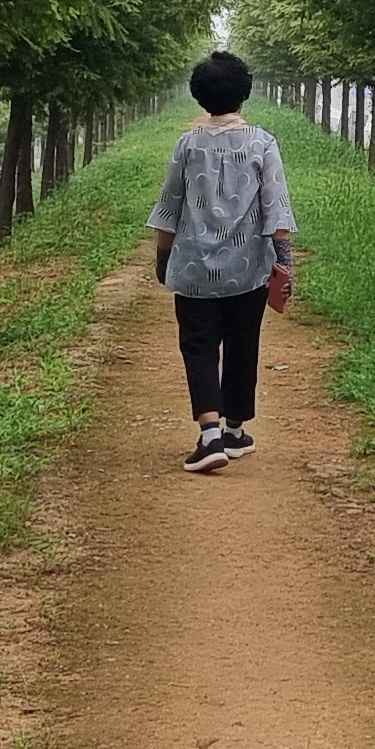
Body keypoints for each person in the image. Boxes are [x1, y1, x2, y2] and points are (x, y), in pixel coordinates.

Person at [148, 49, 293, 473]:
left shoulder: (187, 145)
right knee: (243, 344)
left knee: (198, 345)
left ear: (200, 96)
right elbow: (276, 209)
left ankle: (209, 434)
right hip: (249, 271)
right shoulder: (264, 144)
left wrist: (163, 258)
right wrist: (284, 262)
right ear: (244, 94)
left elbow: (169, 206)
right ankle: (235, 431)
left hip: (194, 269)